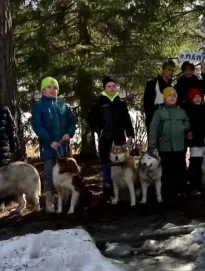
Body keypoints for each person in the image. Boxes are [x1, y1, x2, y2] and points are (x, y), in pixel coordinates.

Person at [31, 77, 76, 212]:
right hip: (48, 148)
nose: (52, 90)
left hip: (64, 147)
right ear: (43, 90)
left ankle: (64, 198)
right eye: (49, 87)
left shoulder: (63, 106)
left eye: (55, 88)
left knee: (67, 173)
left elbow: (72, 122)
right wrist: (50, 141)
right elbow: (38, 126)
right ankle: (50, 200)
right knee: (50, 173)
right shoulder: (38, 107)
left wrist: (69, 133)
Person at [87, 76, 135, 202]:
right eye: (109, 86)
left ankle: (123, 191)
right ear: (104, 88)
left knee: (121, 162)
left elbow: (127, 120)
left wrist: (130, 135)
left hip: (119, 138)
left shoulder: (120, 103)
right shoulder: (99, 103)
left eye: (114, 86)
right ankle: (107, 191)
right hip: (106, 139)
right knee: (107, 164)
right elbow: (91, 119)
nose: (112, 88)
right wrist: (99, 130)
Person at [148, 87, 191, 201]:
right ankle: (168, 192)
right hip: (165, 146)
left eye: (174, 96)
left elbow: (187, 122)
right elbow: (153, 129)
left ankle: (181, 190)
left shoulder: (181, 111)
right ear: (164, 98)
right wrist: (152, 145)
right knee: (167, 169)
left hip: (179, 146)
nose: (172, 97)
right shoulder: (159, 112)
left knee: (180, 168)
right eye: (169, 96)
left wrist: (184, 127)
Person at [184, 88, 205, 196]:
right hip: (195, 142)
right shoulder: (188, 111)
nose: (197, 99)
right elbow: (185, 125)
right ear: (191, 99)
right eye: (195, 97)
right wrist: (187, 133)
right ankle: (194, 186)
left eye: (199, 96)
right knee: (195, 164)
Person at [143, 60, 176, 133]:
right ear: (163, 70)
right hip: (154, 124)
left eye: (173, 70)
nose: (171, 72)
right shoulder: (152, 84)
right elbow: (147, 105)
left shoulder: (172, 87)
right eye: (169, 69)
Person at [0, 105, 16, 211]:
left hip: (3, 149)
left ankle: (3, 201)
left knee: (4, 176)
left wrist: (12, 146)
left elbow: (11, 129)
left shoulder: (4, 110)